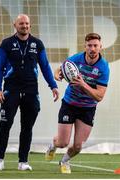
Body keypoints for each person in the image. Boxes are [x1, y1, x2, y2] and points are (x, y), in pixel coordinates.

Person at [0, 14, 59, 171]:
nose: (25, 26)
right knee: (5, 124)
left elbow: (45, 67)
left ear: (30, 25)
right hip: (10, 90)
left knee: (27, 127)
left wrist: (53, 86)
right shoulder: (6, 44)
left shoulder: (37, 44)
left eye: (27, 23)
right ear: (15, 25)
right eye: (21, 23)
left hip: (31, 91)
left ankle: (23, 161)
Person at [45, 33, 110, 174]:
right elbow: (61, 69)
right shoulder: (76, 59)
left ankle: (64, 161)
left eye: (95, 46)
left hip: (88, 108)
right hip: (70, 104)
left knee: (78, 146)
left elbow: (99, 96)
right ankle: (53, 145)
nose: (92, 49)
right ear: (85, 46)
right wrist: (57, 74)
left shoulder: (103, 67)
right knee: (62, 142)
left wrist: (83, 84)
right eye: (89, 45)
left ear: (100, 47)